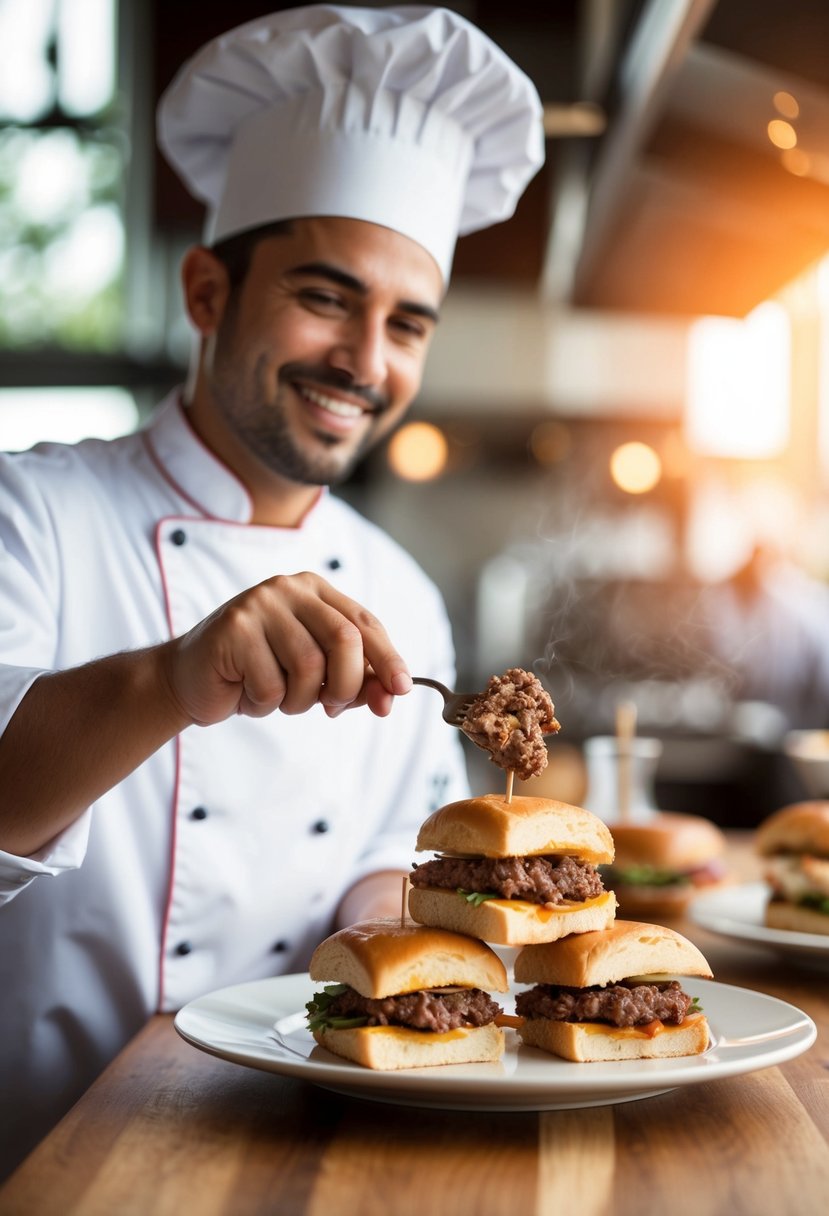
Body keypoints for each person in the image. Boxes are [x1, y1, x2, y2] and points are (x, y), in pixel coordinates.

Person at [0, 4, 543, 1178]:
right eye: (325, 296)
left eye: (408, 323)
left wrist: (400, 933)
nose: (366, 360)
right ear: (206, 291)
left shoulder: (398, 586)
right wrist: (174, 677)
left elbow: (384, 856)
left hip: (292, 1146)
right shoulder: (31, 513)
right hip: (33, 1152)